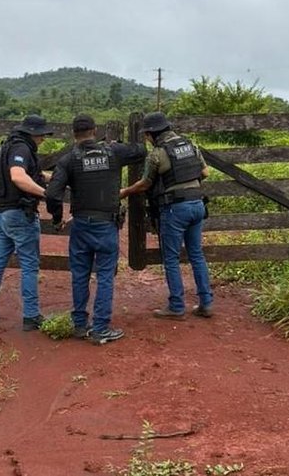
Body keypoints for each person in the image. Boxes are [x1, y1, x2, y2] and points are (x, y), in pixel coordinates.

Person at [45, 114, 146, 345]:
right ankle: (100, 328)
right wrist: (114, 144)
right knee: (104, 276)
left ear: (73, 134)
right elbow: (140, 150)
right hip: (106, 224)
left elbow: (52, 194)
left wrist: (58, 218)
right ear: (94, 130)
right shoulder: (113, 153)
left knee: (80, 275)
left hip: (80, 224)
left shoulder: (69, 160)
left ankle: (80, 324)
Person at [119, 111, 214, 320]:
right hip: (198, 204)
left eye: (147, 135)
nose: (146, 138)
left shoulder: (157, 154)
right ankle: (206, 303)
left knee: (170, 258)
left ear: (152, 134)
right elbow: (205, 173)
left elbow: (145, 183)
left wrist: (125, 192)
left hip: (176, 208)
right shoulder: (190, 145)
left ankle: (177, 306)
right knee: (196, 254)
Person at [0, 114, 53, 331]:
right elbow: (18, 177)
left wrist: (60, 177)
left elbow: (35, 174)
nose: (43, 139)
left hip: (2, 213)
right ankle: (31, 316)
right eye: (41, 135)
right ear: (33, 133)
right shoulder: (21, 149)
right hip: (19, 214)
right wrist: (46, 194)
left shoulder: (8, 146)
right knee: (30, 265)